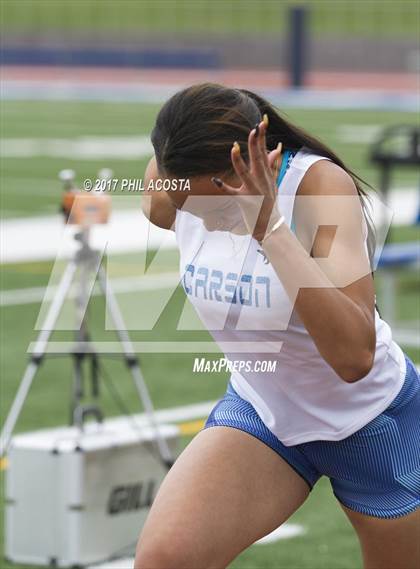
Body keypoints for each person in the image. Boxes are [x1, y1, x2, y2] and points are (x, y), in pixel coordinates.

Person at [135, 83, 420, 569]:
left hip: (370, 421)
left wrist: (270, 229)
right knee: (165, 560)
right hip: (262, 410)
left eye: (222, 205)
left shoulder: (319, 188)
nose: (209, 223)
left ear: (256, 152)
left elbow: (354, 357)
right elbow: (157, 206)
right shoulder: (174, 184)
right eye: (192, 207)